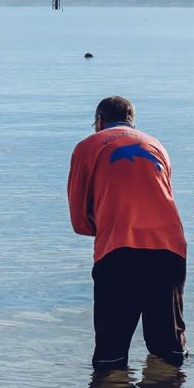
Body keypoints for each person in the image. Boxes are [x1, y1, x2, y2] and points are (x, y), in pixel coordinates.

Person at [68, 96, 187, 370]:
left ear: (99, 121)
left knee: (111, 354)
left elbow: (79, 219)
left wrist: (103, 227)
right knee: (168, 350)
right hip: (170, 248)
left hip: (119, 250)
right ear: (132, 122)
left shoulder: (88, 145)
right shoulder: (156, 144)